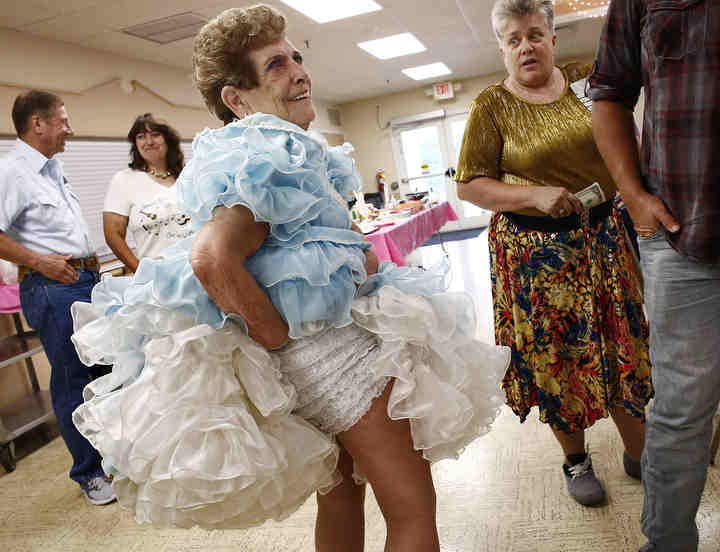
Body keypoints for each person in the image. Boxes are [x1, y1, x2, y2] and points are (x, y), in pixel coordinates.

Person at [68, 5, 510, 550]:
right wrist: (277, 338)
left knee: (342, 492)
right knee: (413, 509)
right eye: (276, 64)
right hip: (332, 357)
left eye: (296, 57)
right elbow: (211, 259)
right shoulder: (269, 150)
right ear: (237, 98)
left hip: (306, 362)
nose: (299, 71)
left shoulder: (250, 151)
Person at [455, 0, 652, 507]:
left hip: (606, 238)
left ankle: (639, 451)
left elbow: (620, 139)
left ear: (553, 39)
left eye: (535, 34)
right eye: (514, 39)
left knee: (621, 340)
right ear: (502, 48)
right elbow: (471, 187)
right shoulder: (490, 106)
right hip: (536, 257)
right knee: (558, 354)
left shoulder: (587, 86)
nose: (526, 46)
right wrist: (532, 193)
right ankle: (576, 459)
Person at [589, 0, 720, 549]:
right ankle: (668, 543)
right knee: (681, 410)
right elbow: (609, 94)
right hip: (682, 232)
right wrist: (633, 195)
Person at [0, 90, 115, 504]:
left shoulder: (52, 169)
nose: (70, 129)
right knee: (72, 379)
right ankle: (89, 474)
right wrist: (39, 261)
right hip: (53, 287)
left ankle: (112, 459)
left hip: (84, 281)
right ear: (38, 125)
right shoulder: (11, 171)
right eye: (63, 122)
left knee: (104, 371)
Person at [103, 114, 192, 272]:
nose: (149, 142)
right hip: (159, 277)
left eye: (155, 135)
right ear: (135, 144)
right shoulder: (124, 180)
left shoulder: (189, 176)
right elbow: (113, 235)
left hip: (200, 270)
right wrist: (141, 272)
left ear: (168, 139)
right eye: (141, 136)